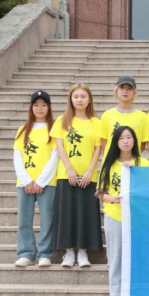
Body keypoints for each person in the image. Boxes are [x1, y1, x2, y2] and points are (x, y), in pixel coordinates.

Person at [96, 126, 149, 296]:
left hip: (138, 217)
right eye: (121, 138)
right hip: (115, 215)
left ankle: (138, 295)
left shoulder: (143, 163)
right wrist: (112, 199)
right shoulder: (109, 164)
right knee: (115, 257)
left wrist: (135, 172)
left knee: (139, 256)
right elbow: (101, 193)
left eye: (129, 137)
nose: (125, 141)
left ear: (135, 140)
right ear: (116, 142)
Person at [51, 84, 102, 268]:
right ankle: (68, 252)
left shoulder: (96, 122)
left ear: (89, 99)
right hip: (66, 175)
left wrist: (89, 170)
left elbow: (98, 149)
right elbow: (59, 146)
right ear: (70, 99)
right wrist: (69, 168)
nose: (79, 100)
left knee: (85, 213)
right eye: (76, 96)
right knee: (67, 213)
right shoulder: (62, 120)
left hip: (89, 175)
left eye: (83, 96)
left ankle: (82, 251)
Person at [13, 90, 58, 267]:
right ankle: (26, 253)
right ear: (31, 107)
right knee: (24, 219)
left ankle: (45, 253)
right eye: (36, 105)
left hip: (48, 182)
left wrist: (41, 181)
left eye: (44, 105)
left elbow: (55, 156)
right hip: (24, 183)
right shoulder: (23, 130)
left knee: (47, 219)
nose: (40, 108)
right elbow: (17, 156)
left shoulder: (54, 129)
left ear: (49, 107)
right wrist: (26, 180)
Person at [99, 76, 149, 153]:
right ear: (116, 90)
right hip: (112, 159)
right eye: (122, 88)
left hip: (133, 159)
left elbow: (142, 144)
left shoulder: (142, 117)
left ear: (134, 92)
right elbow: (104, 142)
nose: (125, 91)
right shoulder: (106, 115)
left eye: (129, 88)